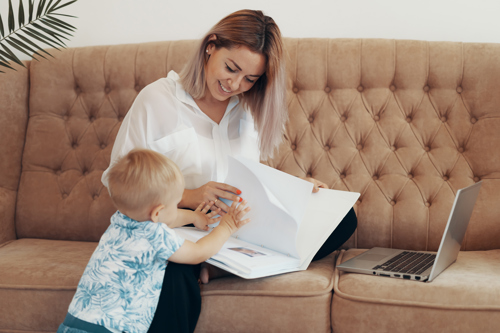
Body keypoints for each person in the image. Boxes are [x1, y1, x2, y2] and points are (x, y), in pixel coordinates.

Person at [101, 9, 357, 333]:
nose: (235, 84)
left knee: (342, 217)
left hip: (238, 229)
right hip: (180, 229)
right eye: (231, 68)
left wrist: (295, 189)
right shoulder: (158, 100)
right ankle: (201, 261)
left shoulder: (247, 108)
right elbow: (116, 183)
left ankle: (216, 265)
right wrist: (192, 197)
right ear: (211, 46)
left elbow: (249, 178)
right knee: (171, 271)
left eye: (250, 79)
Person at [58, 149, 251, 333]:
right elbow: (198, 252)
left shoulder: (119, 221)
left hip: (75, 321)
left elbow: (167, 217)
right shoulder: (157, 237)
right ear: (157, 212)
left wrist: (193, 217)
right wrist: (227, 226)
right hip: (115, 328)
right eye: (176, 204)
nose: (177, 209)